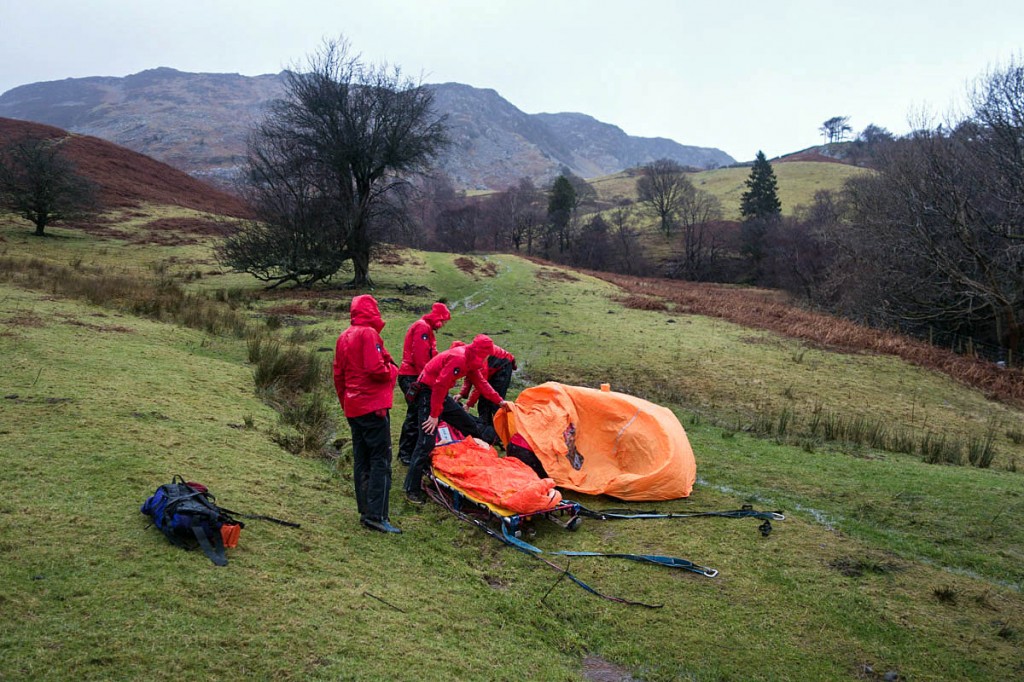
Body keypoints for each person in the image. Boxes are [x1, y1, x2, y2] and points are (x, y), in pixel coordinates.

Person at [403, 334, 507, 505]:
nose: (489, 357)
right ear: (480, 352)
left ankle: (477, 466)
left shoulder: (473, 360)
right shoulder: (459, 358)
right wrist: (434, 415)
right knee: (426, 441)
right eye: (487, 354)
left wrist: (500, 401)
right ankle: (411, 488)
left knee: (470, 426)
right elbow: (439, 385)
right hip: (428, 393)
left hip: (440, 395)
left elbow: (481, 384)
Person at [333, 295, 401, 534]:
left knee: (362, 459)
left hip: (354, 406)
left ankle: (366, 510)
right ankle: (376, 515)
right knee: (380, 460)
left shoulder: (344, 336)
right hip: (373, 406)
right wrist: (391, 370)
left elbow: (338, 374)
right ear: (372, 310)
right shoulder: (368, 334)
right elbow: (376, 369)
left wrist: (346, 404)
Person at [396, 302, 451, 465]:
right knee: (415, 414)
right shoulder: (423, 328)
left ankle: (410, 450)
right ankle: (406, 452)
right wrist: (429, 379)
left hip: (415, 376)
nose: (442, 326)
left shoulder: (425, 328)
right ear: (439, 319)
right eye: (443, 322)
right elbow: (420, 357)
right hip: (413, 376)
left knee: (416, 413)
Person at [458, 342, 515, 434]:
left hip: (503, 366)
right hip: (494, 367)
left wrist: (468, 404)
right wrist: (462, 394)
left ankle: (498, 431)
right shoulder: (468, 357)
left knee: (495, 402)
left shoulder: (479, 359)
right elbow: (470, 376)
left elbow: (480, 385)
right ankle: (486, 428)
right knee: (483, 403)